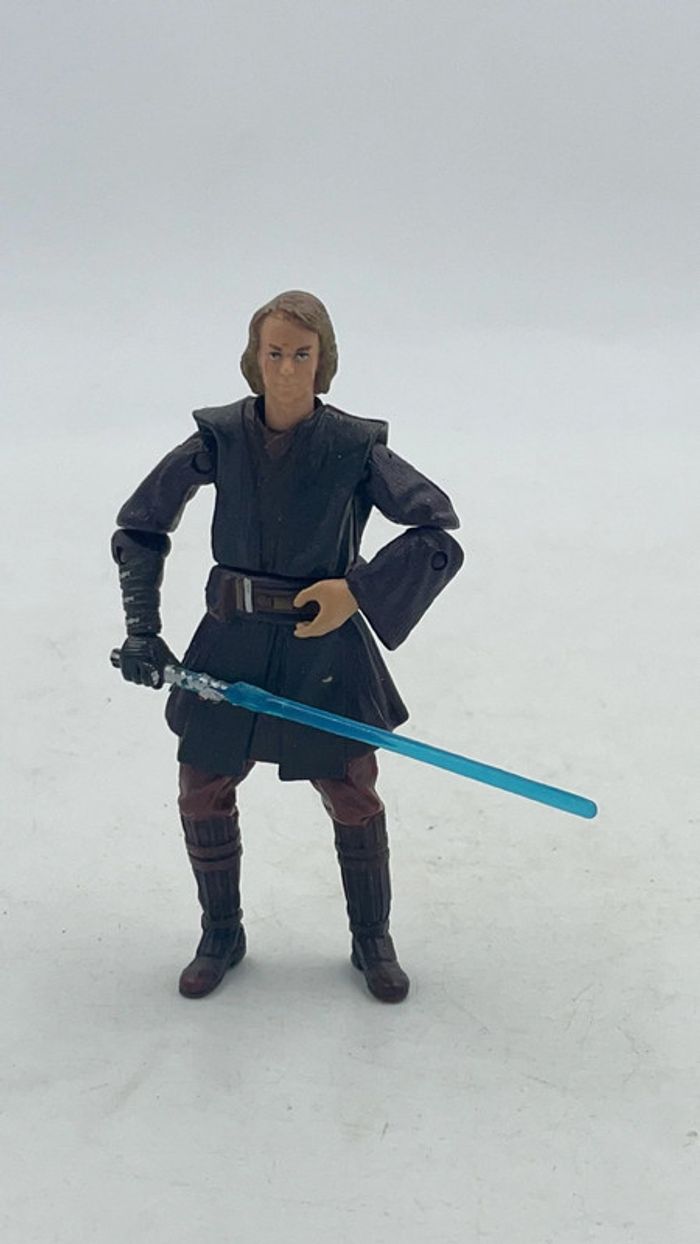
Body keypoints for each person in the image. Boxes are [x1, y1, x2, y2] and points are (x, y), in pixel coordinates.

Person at [112, 290, 463, 1004]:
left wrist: (356, 591)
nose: (287, 369)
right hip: (231, 642)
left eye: (302, 354)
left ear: (322, 360)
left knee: (353, 791)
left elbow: (435, 534)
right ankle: (221, 931)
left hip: (323, 649)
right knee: (202, 788)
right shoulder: (220, 439)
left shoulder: (353, 447)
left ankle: (372, 937)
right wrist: (143, 630)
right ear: (255, 358)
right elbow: (141, 527)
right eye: (274, 353)